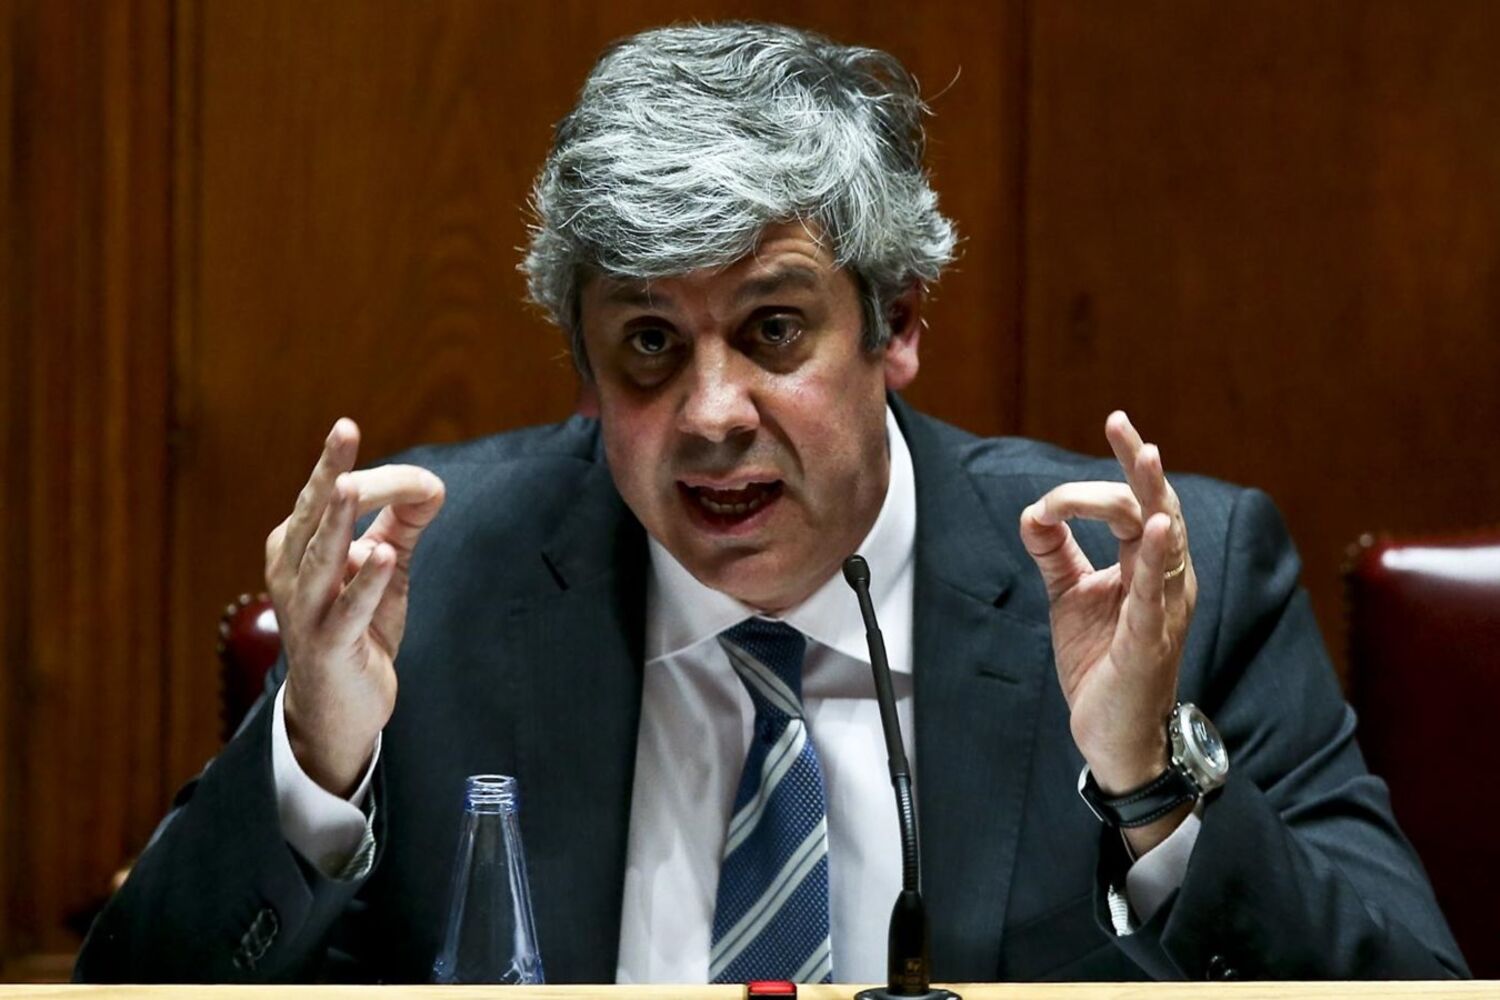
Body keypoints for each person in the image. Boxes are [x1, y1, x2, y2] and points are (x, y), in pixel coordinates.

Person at [77, 22, 1465, 983]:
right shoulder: (434, 587)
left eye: (774, 329)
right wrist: (316, 759)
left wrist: (1152, 789)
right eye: (648, 344)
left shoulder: (1170, 584)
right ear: (586, 370)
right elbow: (136, 991)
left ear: (897, 323)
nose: (711, 414)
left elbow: (1405, 988)